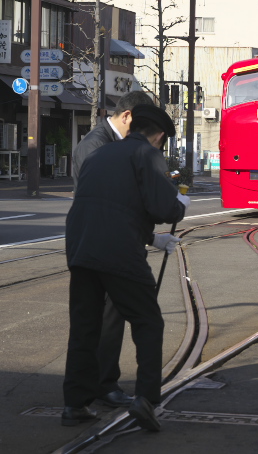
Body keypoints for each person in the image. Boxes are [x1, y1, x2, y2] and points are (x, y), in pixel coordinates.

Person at [62, 105, 189, 431]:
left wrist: (149, 236)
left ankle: (75, 404)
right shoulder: (146, 155)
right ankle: (146, 399)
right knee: (148, 322)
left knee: (85, 327)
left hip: (81, 249)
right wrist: (179, 204)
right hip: (119, 254)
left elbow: (112, 207)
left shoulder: (99, 155)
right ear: (159, 135)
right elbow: (164, 208)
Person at [70, 91, 155, 410]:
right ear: (129, 116)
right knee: (103, 319)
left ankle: (82, 396)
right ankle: (103, 385)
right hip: (100, 241)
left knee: (100, 318)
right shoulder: (97, 144)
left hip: (95, 239)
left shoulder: (108, 142)